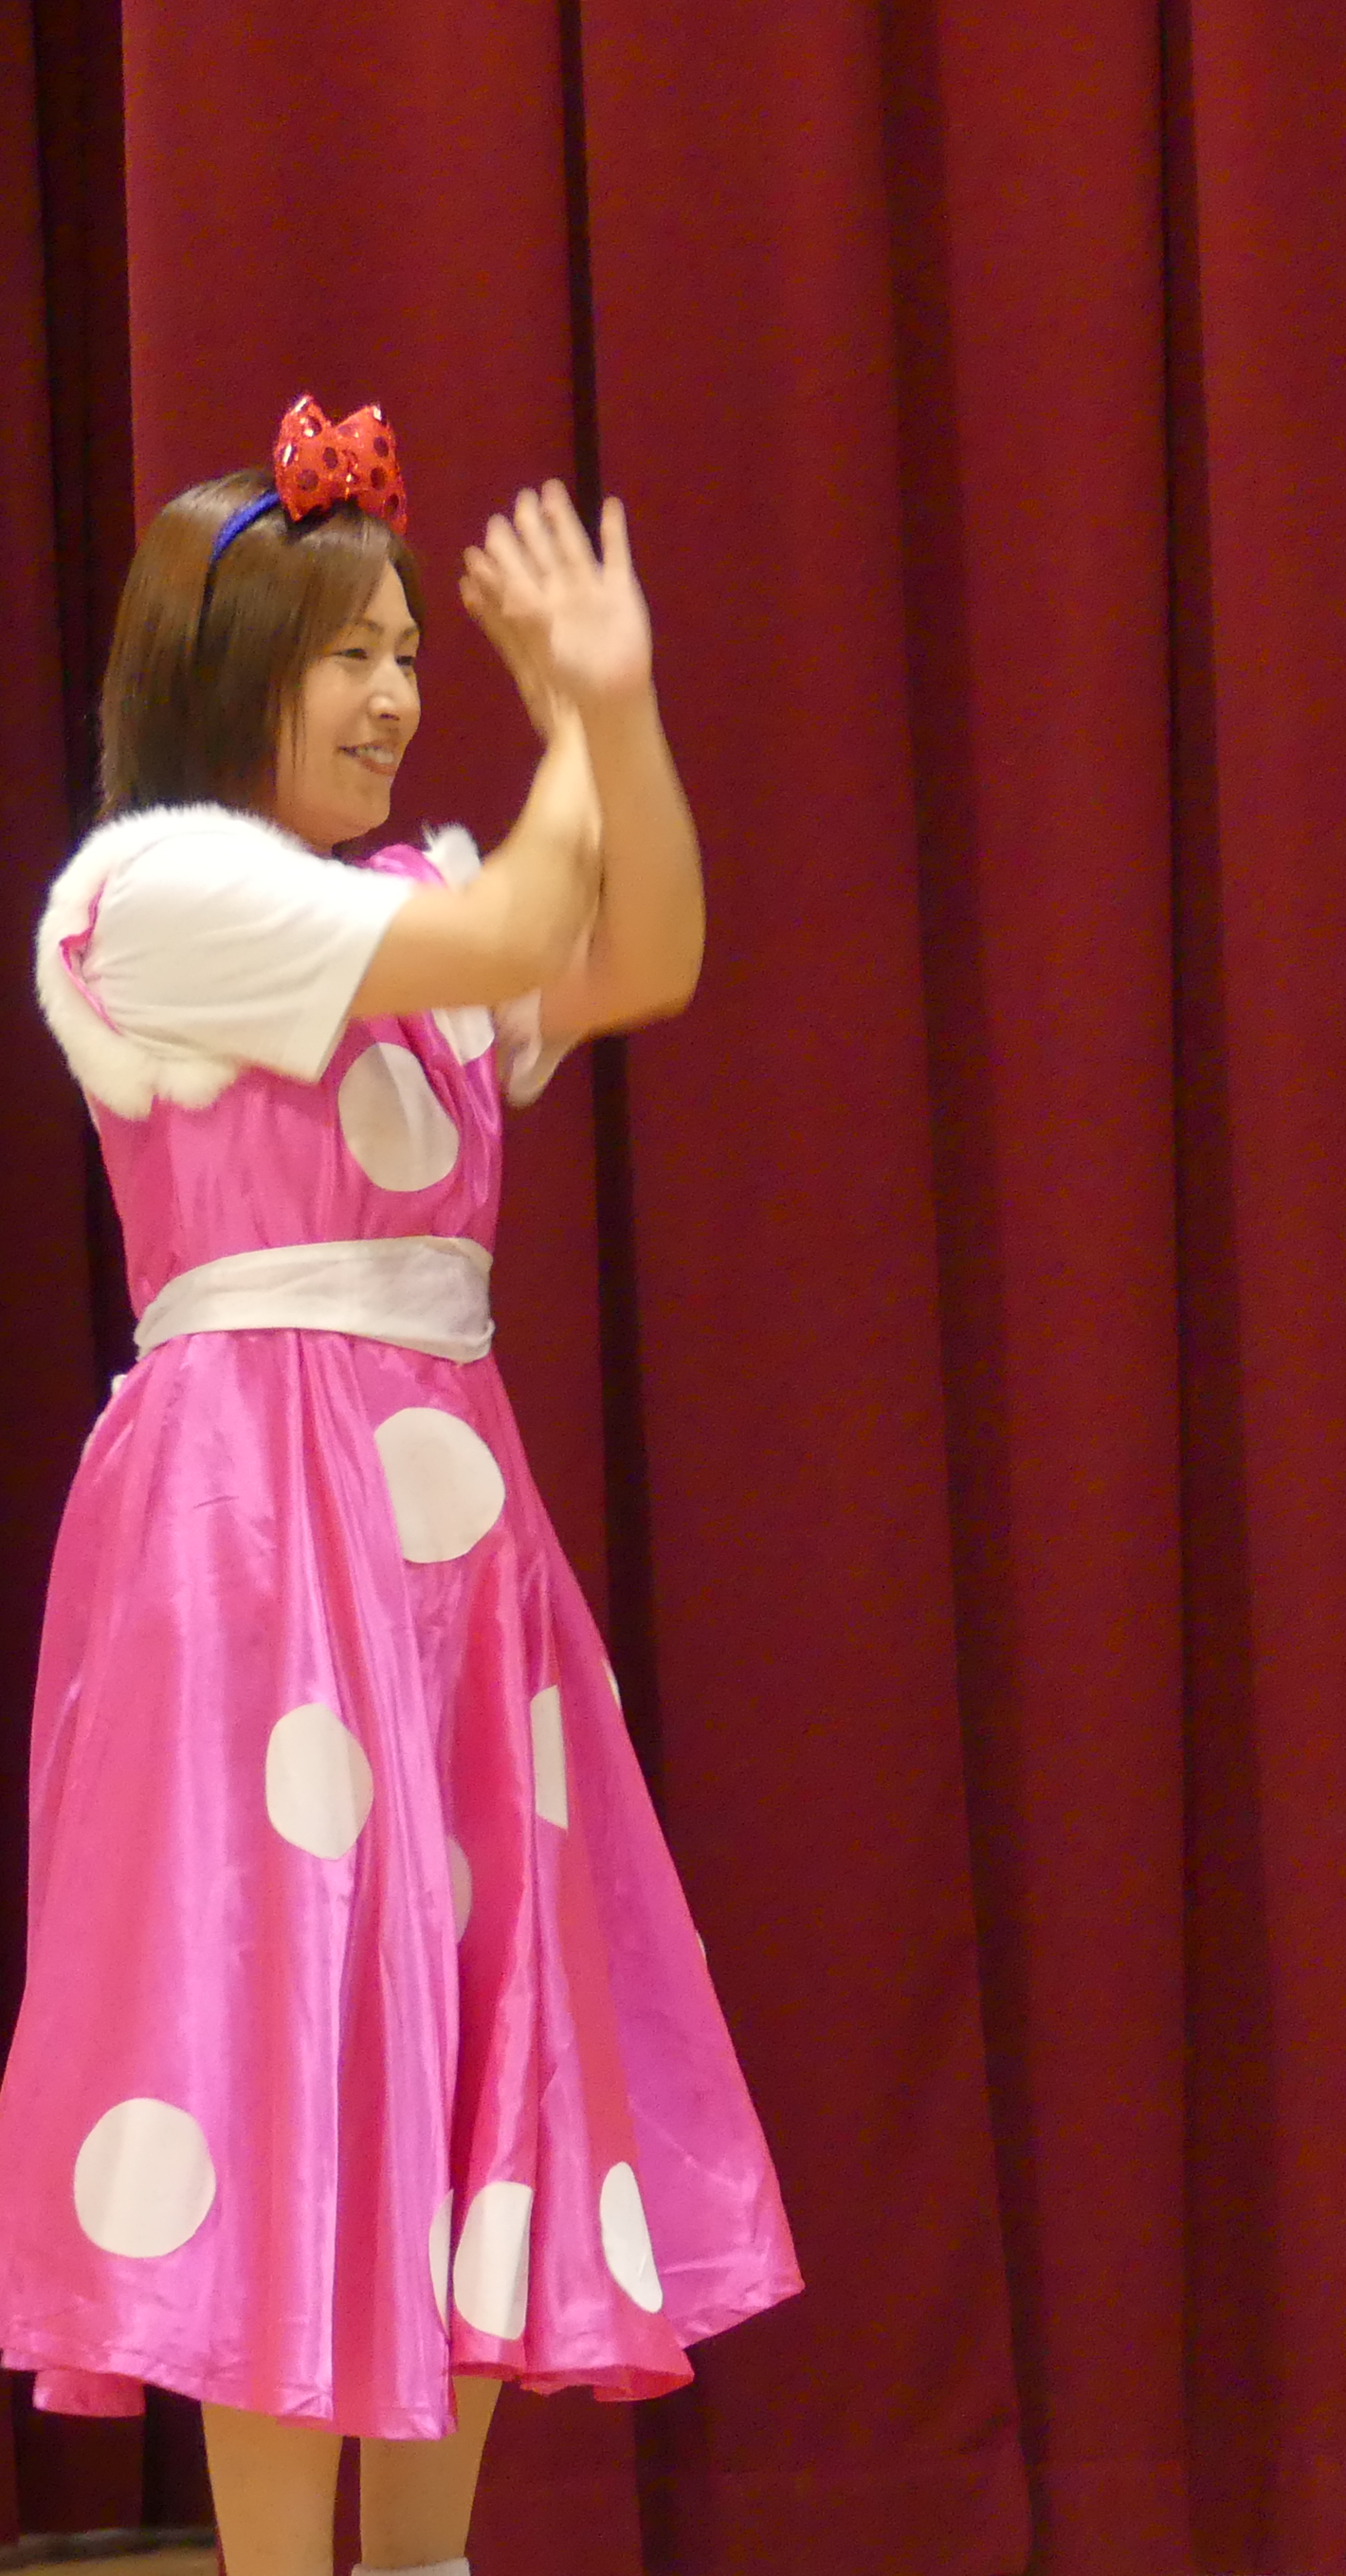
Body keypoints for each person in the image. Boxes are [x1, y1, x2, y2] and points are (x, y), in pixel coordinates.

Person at [0, 404, 798, 2576]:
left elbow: (639, 947)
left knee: (457, 2045)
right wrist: (587, 702)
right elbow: (536, 906)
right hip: (256, 1524)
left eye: (405, 654)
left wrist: (609, 713)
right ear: (226, 670)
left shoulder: (404, 895)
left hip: (448, 1535)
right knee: (278, 2034)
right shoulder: (152, 893)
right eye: (345, 653)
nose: (390, 695)